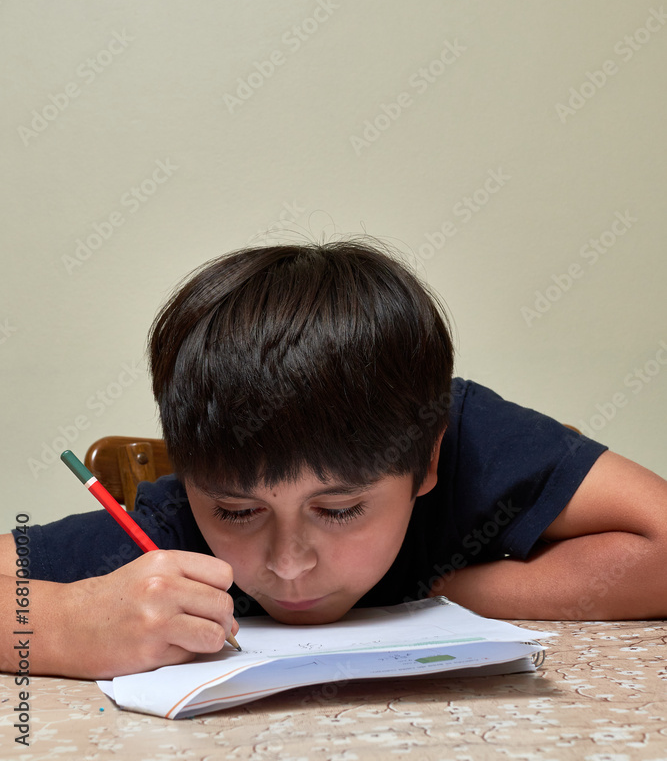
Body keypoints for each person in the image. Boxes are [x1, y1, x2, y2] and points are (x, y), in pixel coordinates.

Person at [1, 238, 667, 680]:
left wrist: (442, 589)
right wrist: (61, 626)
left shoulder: (458, 435)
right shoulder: (174, 532)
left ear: (427, 459)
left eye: (341, 509)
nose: (288, 565)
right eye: (236, 511)